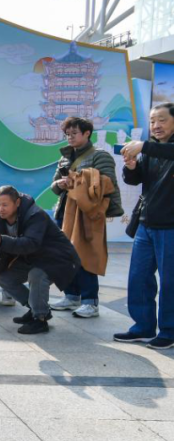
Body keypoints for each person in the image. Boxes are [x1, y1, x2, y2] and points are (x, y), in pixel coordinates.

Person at [0, 186, 81, 335]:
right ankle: (37, 309)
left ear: (17, 203)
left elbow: (30, 244)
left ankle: (40, 320)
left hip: (57, 258)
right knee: (3, 278)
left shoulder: (35, 215)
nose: (0, 209)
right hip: (30, 257)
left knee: (37, 275)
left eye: (5, 205)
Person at [47, 117, 123, 319]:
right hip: (64, 212)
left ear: (87, 133)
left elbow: (107, 184)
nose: (70, 138)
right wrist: (61, 184)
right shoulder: (64, 157)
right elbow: (54, 186)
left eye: (74, 133)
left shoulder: (100, 156)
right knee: (66, 255)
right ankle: (71, 296)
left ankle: (90, 301)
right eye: (67, 134)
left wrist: (77, 180)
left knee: (85, 255)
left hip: (87, 213)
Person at [118, 102, 174, 348]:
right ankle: (142, 326)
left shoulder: (157, 148)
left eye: (161, 120)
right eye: (152, 121)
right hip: (146, 223)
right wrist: (131, 167)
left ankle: (170, 331)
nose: (156, 125)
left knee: (170, 281)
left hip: (171, 227)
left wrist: (144, 146)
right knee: (139, 278)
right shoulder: (152, 150)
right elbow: (137, 180)